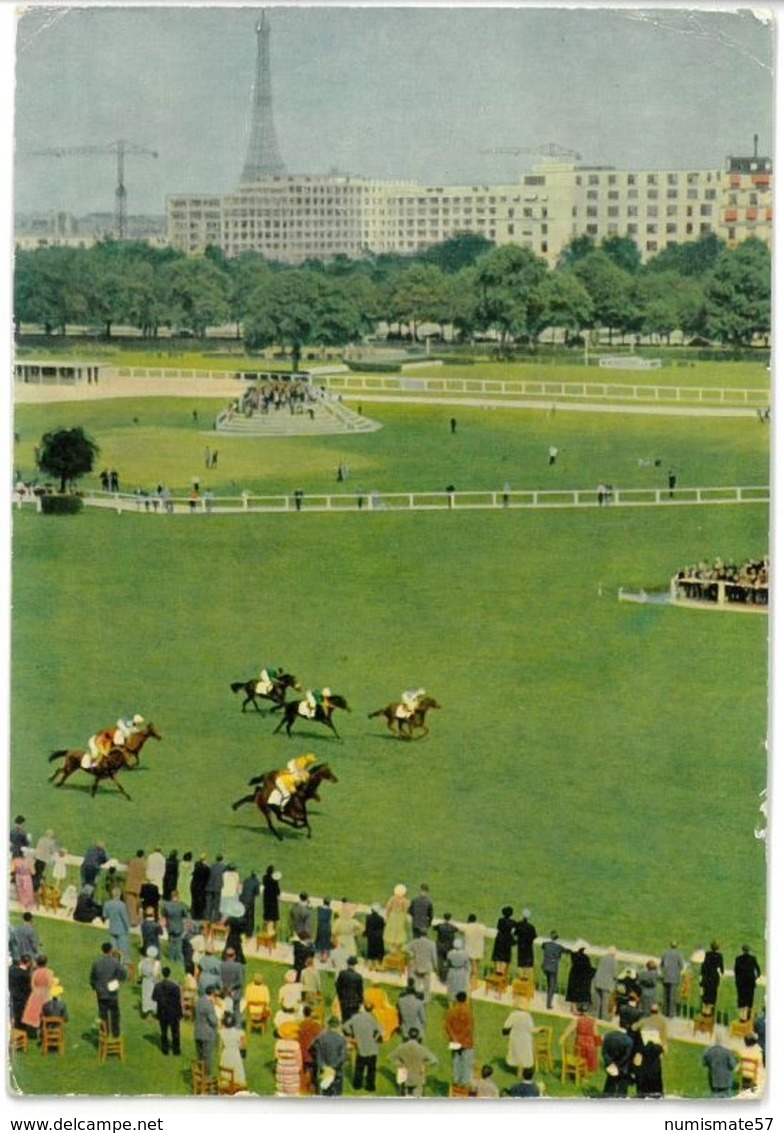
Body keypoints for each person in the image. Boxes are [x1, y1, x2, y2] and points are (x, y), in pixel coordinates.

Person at [343, 1002, 384, 1092]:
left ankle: (357, 1085)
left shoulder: (356, 1018)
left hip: (361, 1047)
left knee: (359, 1068)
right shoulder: (373, 1019)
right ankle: (370, 1086)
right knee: (371, 1070)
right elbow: (381, 1031)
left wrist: (351, 1034)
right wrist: (375, 1037)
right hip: (372, 1048)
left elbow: (345, 1026)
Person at [90, 941, 126, 1037]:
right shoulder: (115, 962)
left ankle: (104, 1033)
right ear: (110, 950)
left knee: (103, 1015)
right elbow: (123, 974)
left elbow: (92, 978)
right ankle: (115, 1034)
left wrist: (94, 989)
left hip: (101, 993)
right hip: (112, 993)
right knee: (114, 1014)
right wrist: (118, 983)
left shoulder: (96, 963)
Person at [390, 1027, 438, 1097]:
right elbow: (434, 1060)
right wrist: (424, 1064)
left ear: (409, 1036)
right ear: (418, 1036)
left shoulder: (402, 1047)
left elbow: (391, 1057)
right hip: (418, 1078)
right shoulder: (422, 1049)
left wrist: (400, 1064)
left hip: (406, 1078)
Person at [311, 1016, 349, 1095]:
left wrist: (324, 1067)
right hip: (337, 1070)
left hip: (324, 1070)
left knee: (325, 1092)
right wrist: (332, 1067)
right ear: (339, 1026)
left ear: (328, 1025)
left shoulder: (320, 1038)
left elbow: (316, 1053)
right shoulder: (342, 1040)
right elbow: (343, 1056)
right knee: (337, 1093)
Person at [444, 991, 474, 1087]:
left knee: (456, 1061)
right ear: (465, 999)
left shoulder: (451, 1010)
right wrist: (460, 1038)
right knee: (466, 1062)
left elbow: (447, 1025)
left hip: (454, 1040)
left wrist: (454, 1037)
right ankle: (464, 1083)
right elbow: (469, 1027)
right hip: (466, 1041)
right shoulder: (468, 1011)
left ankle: (456, 1081)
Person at [151, 966, 183, 1055]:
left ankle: (165, 1049)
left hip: (163, 1011)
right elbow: (178, 999)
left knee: (164, 1031)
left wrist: (161, 1000)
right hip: (173, 1011)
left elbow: (153, 998)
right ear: (170, 973)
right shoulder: (175, 986)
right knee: (175, 1031)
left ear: (162, 974)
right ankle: (176, 1050)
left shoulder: (158, 985)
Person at [560, 1004, 601, 1073]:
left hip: (580, 1042)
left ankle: (579, 1068)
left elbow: (568, 1030)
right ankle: (589, 1070)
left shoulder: (577, 1020)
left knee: (579, 1053)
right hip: (590, 1043)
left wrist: (562, 1039)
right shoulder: (593, 1021)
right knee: (592, 1052)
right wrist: (598, 1044)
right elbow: (596, 1034)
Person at [22, 954, 55, 1035]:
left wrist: (36, 991)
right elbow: (50, 984)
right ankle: (44, 1028)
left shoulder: (35, 973)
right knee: (46, 1012)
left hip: (36, 994)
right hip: (45, 994)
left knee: (35, 1011)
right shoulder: (49, 972)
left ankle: (36, 1029)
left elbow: (32, 985)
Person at [502, 1006, 539, 1077]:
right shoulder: (528, 1016)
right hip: (525, 1039)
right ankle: (521, 1073)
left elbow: (506, 1025)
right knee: (524, 1056)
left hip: (515, 1037)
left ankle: (519, 1072)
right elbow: (531, 1029)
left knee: (517, 1054)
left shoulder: (513, 1014)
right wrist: (540, 1029)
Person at [702, 1030, 739, 1097]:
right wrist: (737, 1063)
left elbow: (704, 1064)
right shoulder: (728, 1053)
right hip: (726, 1083)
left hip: (713, 1082)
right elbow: (733, 1067)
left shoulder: (709, 1052)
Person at [194, 985, 220, 1077]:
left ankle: (200, 1075)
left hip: (198, 1032)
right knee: (208, 1057)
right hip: (208, 1035)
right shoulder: (209, 1005)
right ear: (212, 994)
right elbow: (213, 1021)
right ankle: (207, 1077)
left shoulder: (199, 1001)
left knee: (200, 1056)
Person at [601, 1025, 634, 1097]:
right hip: (623, 1067)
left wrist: (610, 1064)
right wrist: (618, 1065)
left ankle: (606, 1098)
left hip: (611, 1066)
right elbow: (627, 1056)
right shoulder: (629, 1040)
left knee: (610, 1082)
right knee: (623, 1086)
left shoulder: (607, 1036)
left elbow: (604, 1052)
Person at [219, 1011, 246, 1091]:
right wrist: (238, 1047)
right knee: (236, 1069)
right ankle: (236, 1086)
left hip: (226, 1053)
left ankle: (226, 1085)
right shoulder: (239, 1033)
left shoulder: (221, 1032)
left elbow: (221, 1045)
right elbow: (243, 1045)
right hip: (235, 1053)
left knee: (226, 1068)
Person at [734, 944, 761, 1021]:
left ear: (742, 950)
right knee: (749, 999)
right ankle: (747, 1016)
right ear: (749, 950)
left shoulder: (738, 959)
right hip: (750, 982)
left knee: (741, 999)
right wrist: (755, 978)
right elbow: (758, 971)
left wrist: (738, 980)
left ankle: (741, 1017)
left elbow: (736, 971)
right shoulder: (753, 958)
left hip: (741, 983)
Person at [103, 887, 132, 961]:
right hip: (122, 930)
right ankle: (124, 963)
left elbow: (105, 915)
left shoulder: (107, 904)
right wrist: (128, 927)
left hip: (112, 928)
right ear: (119, 894)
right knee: (123, 950)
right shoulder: (122, 905)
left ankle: (113, 962)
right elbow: (125, 918)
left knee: (113, 949)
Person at [565, 941, 596, 1011]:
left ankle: (573, 1008)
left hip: (574, 975)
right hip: (580, 978)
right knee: (581, 993)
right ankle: (577, 1009)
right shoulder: (584, 957)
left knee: (573, 993)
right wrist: (595, 971)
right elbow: (587, 968)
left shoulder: (574, 955)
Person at [660, 941, 685, 1018]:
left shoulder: (665, 953)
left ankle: (665, 1012)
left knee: (666, 995)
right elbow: (681, 966)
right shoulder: (679, 954)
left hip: (666, 976)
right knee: (672, 996)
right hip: (674, 977)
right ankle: (671, 1013)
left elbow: (661, 964)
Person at [541, 930, 566, 1009]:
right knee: (552, 985)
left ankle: (548, 999)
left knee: (549, 984)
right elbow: (566, 951)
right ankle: (549, 1004)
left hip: (545, 967)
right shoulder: (559, 947)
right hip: (552, 968)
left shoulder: (546, 944)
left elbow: (543, 945)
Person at [336, 955, 364, 1022]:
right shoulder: (358, 976)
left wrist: (340, 997)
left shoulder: (342, 974)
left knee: (345, 1019)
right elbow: (360, 991)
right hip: (355, 1002)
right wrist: (361, 1001)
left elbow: (338, 987)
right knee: (354, 1020)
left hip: (344, 1001)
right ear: (355, 965)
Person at [384, 884, 410, 954]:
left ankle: (392, 950)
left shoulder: (392, 899)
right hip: (400, 918)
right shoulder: (405, 901)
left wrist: (387, 917)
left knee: (392, 934)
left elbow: (388, 908)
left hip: (393, 917)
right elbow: (405, 911)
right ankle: (397, 951)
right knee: (399, 935)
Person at [594, 946, 617, 1020]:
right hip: (606, 984)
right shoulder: (613, 961)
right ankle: (603, 1019)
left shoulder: (603, 958)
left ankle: (596, 1017)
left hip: (598, 982)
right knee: (605, 1003)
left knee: (598, 1002)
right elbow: (614, 974)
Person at [491, 905, 516, 976]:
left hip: (499, 939)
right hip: (507, 941)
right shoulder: (513, 922)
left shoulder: (500, 920)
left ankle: (498, 970)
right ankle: (502, 972)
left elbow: (498, 928)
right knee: (505, 958)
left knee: (498, 957)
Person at [700, 940, 724, 1010]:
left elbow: (704, 965)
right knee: (713, 993)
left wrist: (702, 973)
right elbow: (721, 967)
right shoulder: (719, 956)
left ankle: (704, 1009)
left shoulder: (707, 954)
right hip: (714, 976)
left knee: (706, 992)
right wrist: (721, 973)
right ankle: (710, 1010)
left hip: (707, 975)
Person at [139, 945, 161, 1017]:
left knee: (146, 996)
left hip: (145, 981)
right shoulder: (157, 963)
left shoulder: (142, 962)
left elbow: (140, 973)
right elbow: (157, 974)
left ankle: (147, 1012)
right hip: (153, 981)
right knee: (153, 997)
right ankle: (153, 1012)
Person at [514, 908, 537, 976]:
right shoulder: (531, 927)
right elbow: (534, 936)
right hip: (528, 948)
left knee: (521, 964)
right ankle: (526, 981)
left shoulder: (519, 924)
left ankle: (521, 979)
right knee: (528, 965)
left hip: (521, 947)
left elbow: (515, 933)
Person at [364, 903, 386, 969]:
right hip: (379, 936)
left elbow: (367, 927)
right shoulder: (381, 918)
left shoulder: (368, 917)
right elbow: (383, 927)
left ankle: (370, 963)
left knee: (370, 949)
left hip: (371, 936)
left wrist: (365, 933)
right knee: (378, 949)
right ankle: (377, 963)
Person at [262, 866, 282, 936]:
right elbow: (277, 891)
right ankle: (273, 934)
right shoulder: (274, 881)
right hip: (273, 901)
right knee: (274, 917)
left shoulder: (264, 878)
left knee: (266, 917)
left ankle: (264, 931)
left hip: (266, 899)